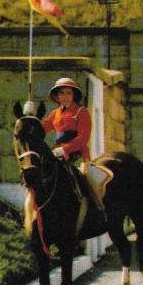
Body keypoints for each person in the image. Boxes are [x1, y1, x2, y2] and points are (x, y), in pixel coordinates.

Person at [41, 77, 104, 212]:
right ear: (57, 96)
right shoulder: (54, 113)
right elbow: (40, 129)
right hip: (58, 154)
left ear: (73, 95)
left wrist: (64, 149)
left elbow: (83, 137)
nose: (65, 96)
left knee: (85, 181)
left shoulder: (81, 112)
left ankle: (97, 208)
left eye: (68, 93)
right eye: (61, 93)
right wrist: (30, 115)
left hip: (77, 154)